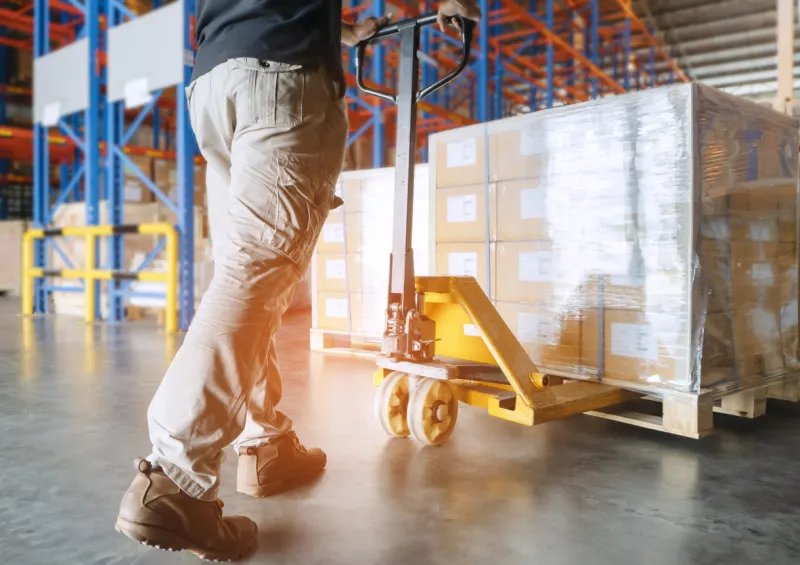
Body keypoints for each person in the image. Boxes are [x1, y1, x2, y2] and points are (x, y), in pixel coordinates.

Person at [115, 0, 482, 561]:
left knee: (246, 277)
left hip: (215, 79)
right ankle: (173, 476)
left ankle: (265, 442)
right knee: (254, 274)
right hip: (281, 77)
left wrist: (342, 27)